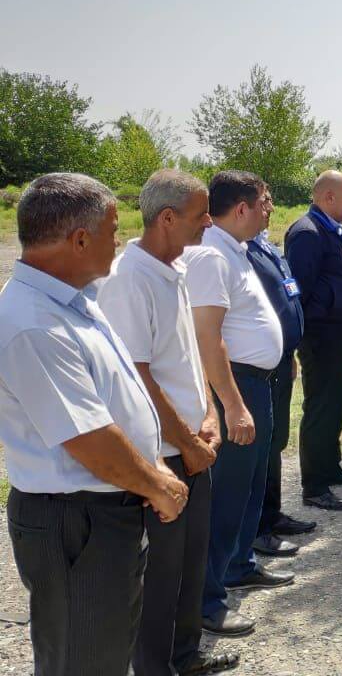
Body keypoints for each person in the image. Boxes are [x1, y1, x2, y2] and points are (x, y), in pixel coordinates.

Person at [0, 173, 188, 676]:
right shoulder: (34, 323)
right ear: (80, 239)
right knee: (83, 660)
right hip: (76, 520)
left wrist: (148, 473)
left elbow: (109, 405)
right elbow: (90, 440)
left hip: (101, 508)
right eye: (111, 229)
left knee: (105, 649)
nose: (120, 239)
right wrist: (159, 485)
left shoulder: (72, 300)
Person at [96, 170, 238, 676]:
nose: (207, 223)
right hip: (164, 452)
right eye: (201, 214)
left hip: (192, 443)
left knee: (188, 564)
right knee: (160, 574)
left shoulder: (171, 269)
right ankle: (157, 666)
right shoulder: (128, 280)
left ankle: (185, 654)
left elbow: (185, 359)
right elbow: (138, 378)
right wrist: (187, 442)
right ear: (168, 217)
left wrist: (208, 415)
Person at [187, 170, 292, 637]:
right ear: (243, 208)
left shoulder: (237, 250)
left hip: (257, 382)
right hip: (237, 389)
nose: (269, 210)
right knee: (226, 495)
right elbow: (208, 338)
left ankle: (238, 564)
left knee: (250, 487)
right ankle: (206, 600)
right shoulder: (212, 256)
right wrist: (232, 404)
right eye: (264, 203)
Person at [284, 170, 342, 511]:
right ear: (328, 197)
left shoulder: (329, 228)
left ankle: (330, 467)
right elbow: (300, 289)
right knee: (320, 407)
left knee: (335, 403)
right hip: (321, 335)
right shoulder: (307, 232)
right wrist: (331, 307)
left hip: (338, 332)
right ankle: (314, 485)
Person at [245, 189, 314, 558]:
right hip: (256, 368)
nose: (271, 208)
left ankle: (271, 513)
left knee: (276, 439)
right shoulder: (242, 251)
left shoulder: (263, 245)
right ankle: (258, 527)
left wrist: (287, 351)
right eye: (265, 202)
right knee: (264, 445)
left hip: (280, 358)